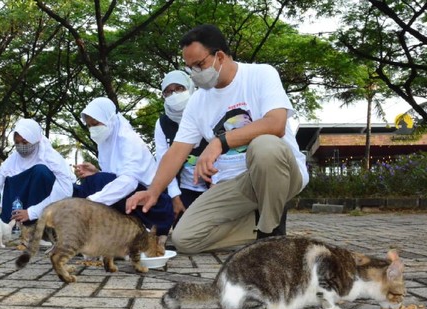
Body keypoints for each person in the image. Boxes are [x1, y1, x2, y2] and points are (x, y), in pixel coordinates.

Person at [126, 24, 309, 254]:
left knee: (265, 146)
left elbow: (276, 123)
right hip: (236, 185)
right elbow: (177, 151)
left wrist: (220, 142)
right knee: (185, 238)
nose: (195, 73)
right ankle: (260, 224)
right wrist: (153, 191)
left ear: (219, 56)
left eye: (199, 65)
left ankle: (270, 236)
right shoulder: (197, 101)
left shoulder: (261, 74)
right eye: (190, 67)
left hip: (279, 172)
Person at [73, 97, 174, 247]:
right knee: (91, 181)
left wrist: (91, 202)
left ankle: (143, 234)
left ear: (110, 119)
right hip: (132, 202)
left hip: (153, 207)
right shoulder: (106, 143)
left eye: (96, 124)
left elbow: (129, 182)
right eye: (89, 126)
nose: (93, 129)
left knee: (97, 183)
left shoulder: (128, 140)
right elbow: (115, 176)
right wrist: (97, 172)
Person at [0, 119, 75, 228]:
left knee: (40, 171)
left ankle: (39, 227)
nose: (21, 146)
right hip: (17, 208)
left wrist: (32, 212)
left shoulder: (51, 158)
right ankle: (14, 223)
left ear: (35, 140)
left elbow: (65, 191)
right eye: (17, 143)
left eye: (24, 142)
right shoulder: (12, 160)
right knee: (10, 177)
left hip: (43, 210)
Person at [155, 70, 208, 220]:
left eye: (179, 88)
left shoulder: (206, 110)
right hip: (184, 188)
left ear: (190, 87)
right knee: (182, 238)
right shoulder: (162, 123)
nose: (174, 95)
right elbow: (163, 161)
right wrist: (174, 197)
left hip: (216, 184)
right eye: (169, 92)